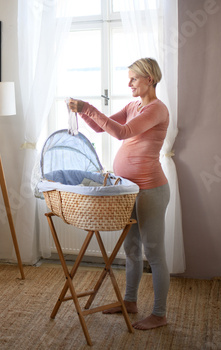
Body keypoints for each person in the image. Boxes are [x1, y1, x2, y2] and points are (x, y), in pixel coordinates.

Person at [68, 57, 170, 330]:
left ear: (150, 79)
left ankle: (159, 314)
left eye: (134, 78)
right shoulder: (133, 105)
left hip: (151, 190)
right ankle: (130, 301)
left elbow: (123, 133)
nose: (129, 84)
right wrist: (82, 112)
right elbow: (102, 127)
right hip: (129, 190)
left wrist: (89, 107)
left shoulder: (157, 109)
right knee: (132, 247)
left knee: (155, 252)